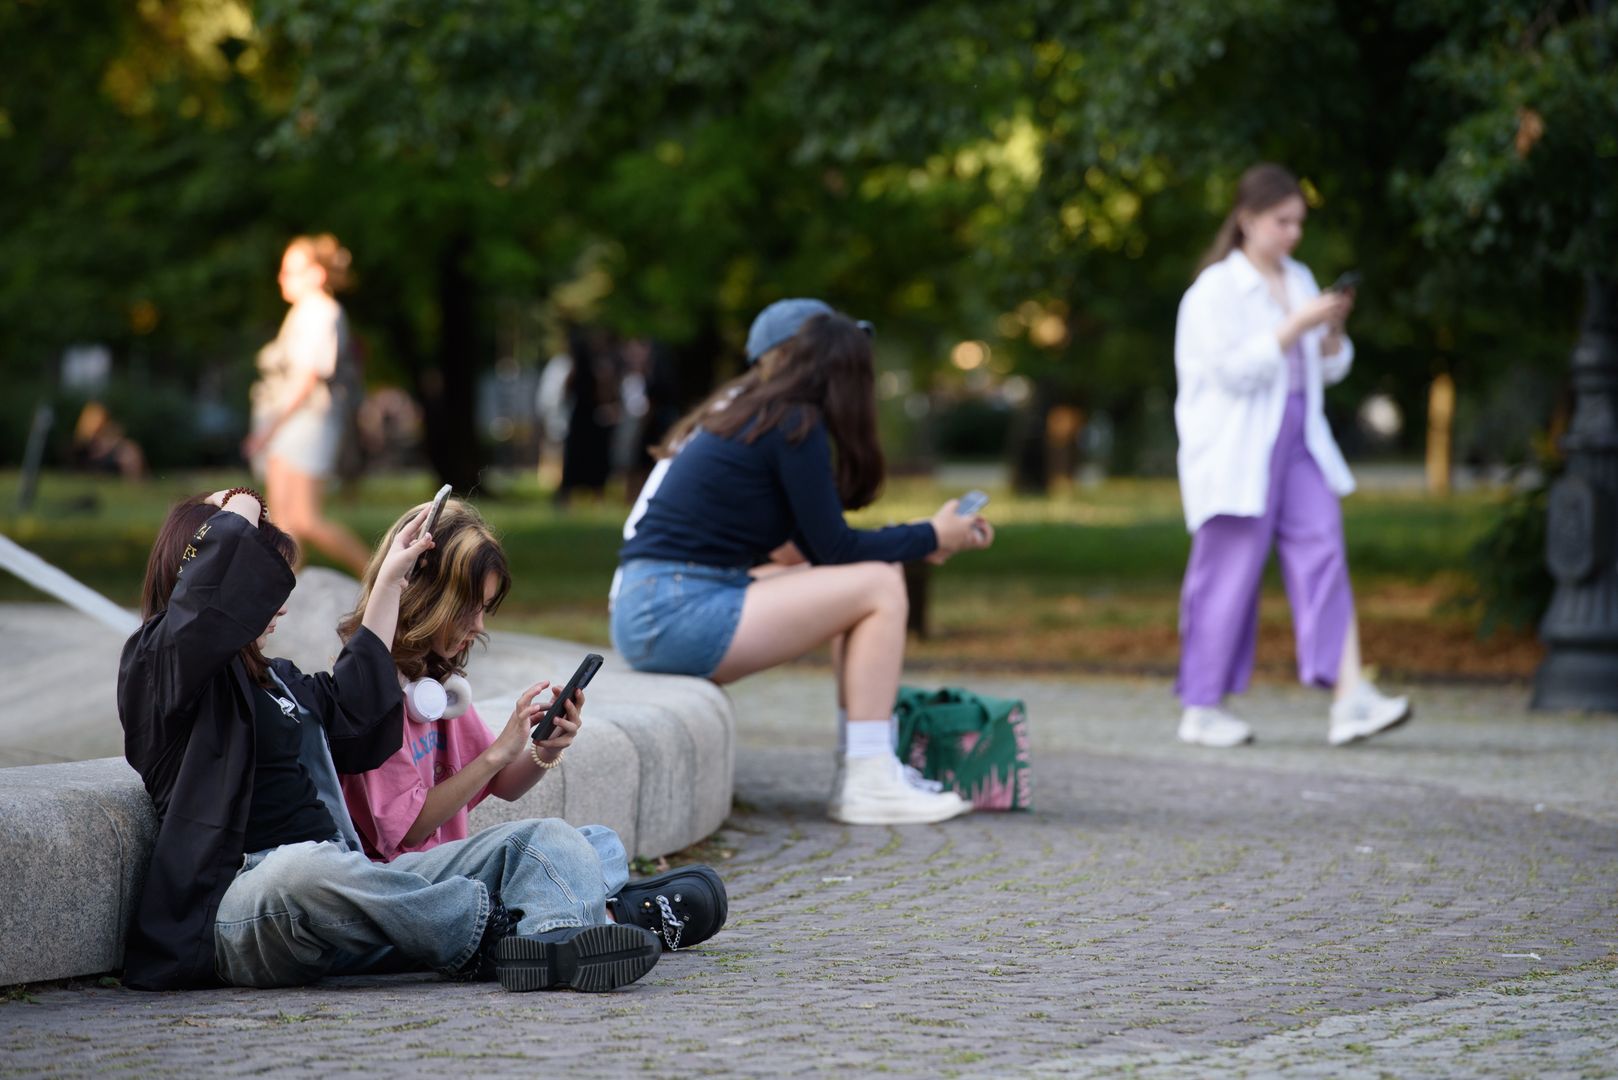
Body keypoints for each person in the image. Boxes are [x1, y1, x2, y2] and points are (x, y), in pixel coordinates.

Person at [117, 488, 661, 993]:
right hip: (245, 905)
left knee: (544, 839)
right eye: (259, 583)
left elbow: (358, 703)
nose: (279, 602)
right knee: (302, 870)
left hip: (355, 887)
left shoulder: (277, 680)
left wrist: (391, 582)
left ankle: (554, 940)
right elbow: (200, 608)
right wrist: (240, 503)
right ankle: (513, 922)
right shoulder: (159, 675)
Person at [610, 301, 994, 826]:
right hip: (672, 609)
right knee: (880, 585)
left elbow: (811, 556)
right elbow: (835, 550)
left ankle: (865, 764)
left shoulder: (758, 415)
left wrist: (925, 540)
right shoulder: (794, 421)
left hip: (656, 605)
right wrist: (930, 532)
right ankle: (868, 777)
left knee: (863, 584)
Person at [338, 498, 727, 953]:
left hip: (455, 873)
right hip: (407, 886)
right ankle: (588, 924)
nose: (479, 625)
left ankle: (590, 918)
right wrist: (496, 752)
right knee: (546, 844)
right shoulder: (370, 696)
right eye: (469, 608)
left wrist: (544, 748)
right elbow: (411, 830)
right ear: (427, 597)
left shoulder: (434, 685)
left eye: (484, 608)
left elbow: (503, 784)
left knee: (598, 842)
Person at [1173, 163, 1412, 749]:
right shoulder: (1214, 290)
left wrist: (1329, 331)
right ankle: (1202, 707)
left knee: (1324, 550)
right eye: (1281, 221)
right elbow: (1229, 371)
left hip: (1302, 439)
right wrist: (1294, 325)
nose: (1292, 234)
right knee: (1227, 575)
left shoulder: (1300, 277)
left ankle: (1350, 696)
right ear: (1248, 219)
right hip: (1237, 448)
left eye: (1298, 222)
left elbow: (1327, 367)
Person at [243, 234, 370, 574]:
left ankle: (384, 580)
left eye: (292, 271)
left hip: (308, 422)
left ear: (317, 274)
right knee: (283, 525)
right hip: (291, 423)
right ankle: (283, 600)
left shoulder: (322, 312)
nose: (283, 278)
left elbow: (308, 378)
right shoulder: (301, 312)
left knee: (305, 518)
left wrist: (269, 428)